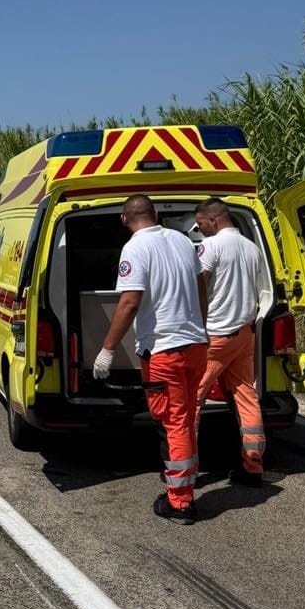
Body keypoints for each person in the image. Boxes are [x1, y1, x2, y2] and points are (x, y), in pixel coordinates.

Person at [92, 195, 207, 525]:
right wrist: (201, 324)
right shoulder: (183, 241)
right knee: (185, 418)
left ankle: (181, 502)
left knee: (174, 423)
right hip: (195, 345)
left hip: (165, 352)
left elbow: (129, 301)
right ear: (155, 214)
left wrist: (108, 349)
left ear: (123, 218)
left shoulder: (134, 248)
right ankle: (179, 479)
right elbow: (201, 285)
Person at [194, 198, 270, 487]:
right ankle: (253, 465)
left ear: (213, 220)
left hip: (215, 335)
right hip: (244, 334)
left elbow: (198, 284)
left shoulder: (210, 247)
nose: (199, 230)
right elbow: (263, 289)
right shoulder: (252, 248)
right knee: (246, 396)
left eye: (200, 224)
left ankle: (187, 469)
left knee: (192, 400)